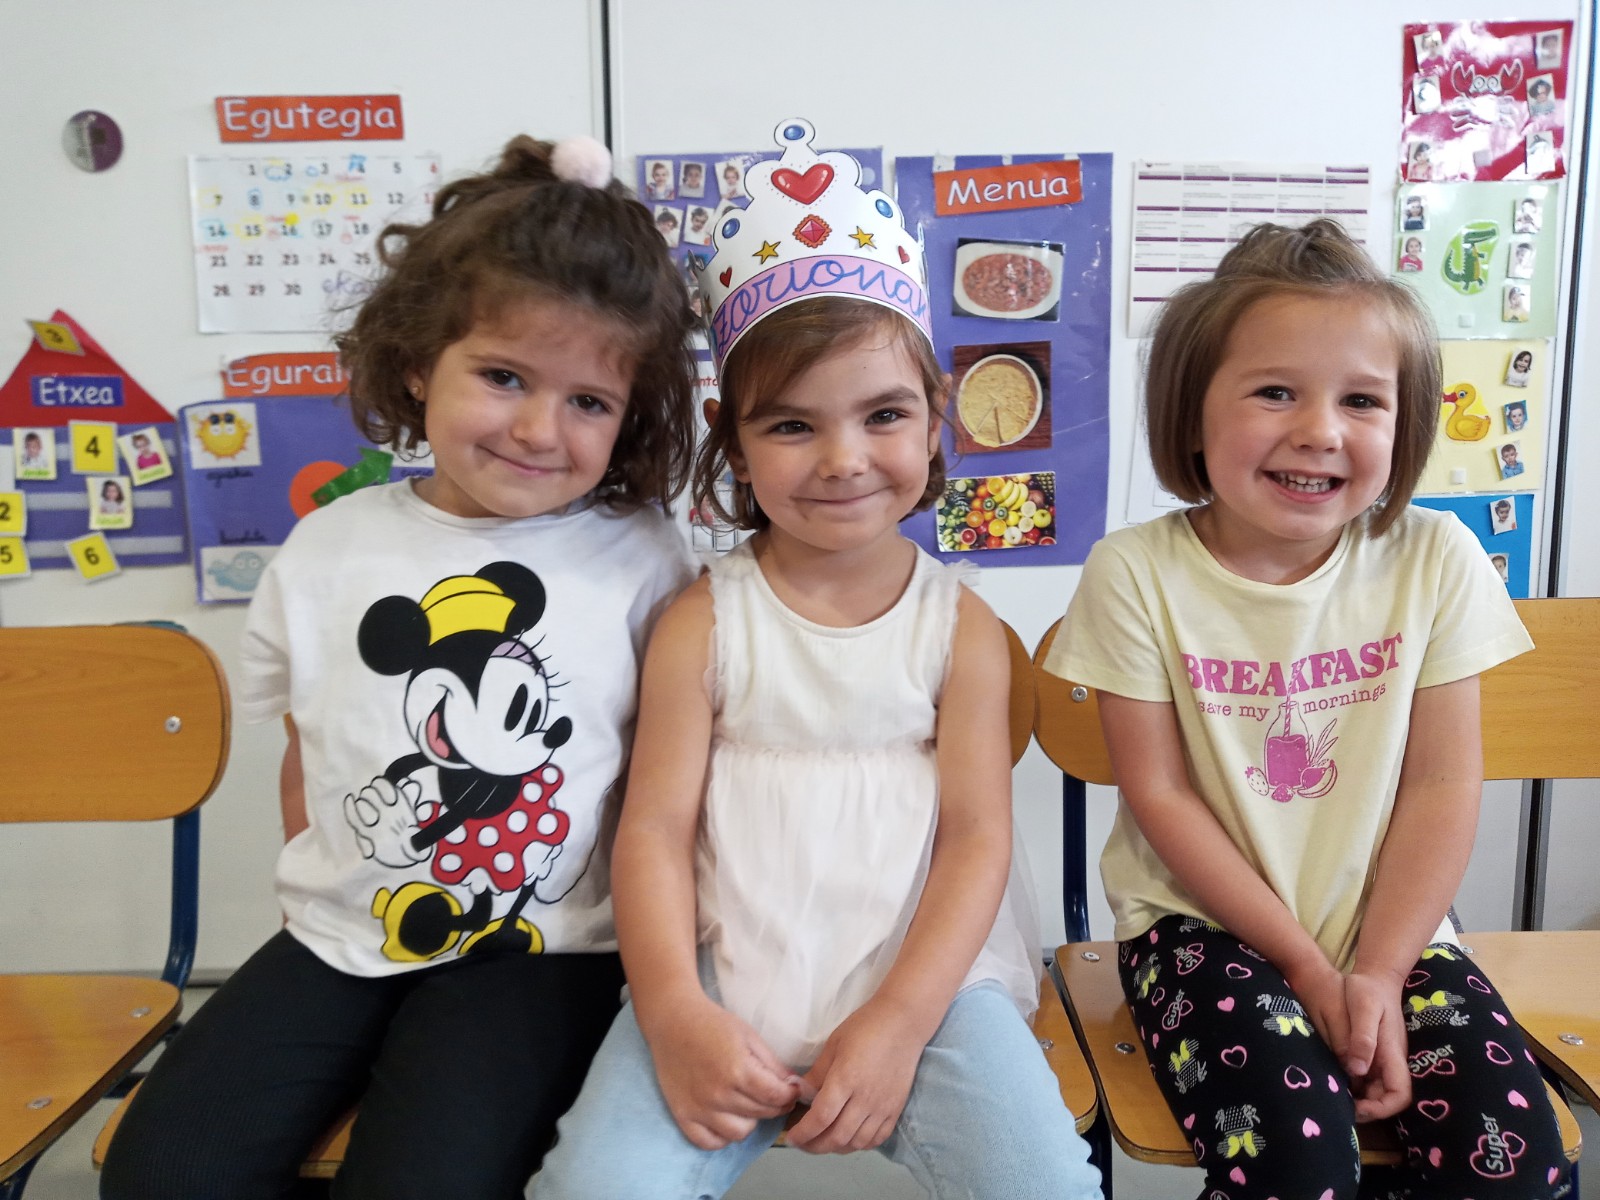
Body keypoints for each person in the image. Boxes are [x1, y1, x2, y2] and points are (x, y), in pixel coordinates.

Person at [101, 132, 701, 1200]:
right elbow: (312, 749)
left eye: (588, 401)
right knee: (163, 1174)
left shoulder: (645, 556)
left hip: (543, 952)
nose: (538, 428)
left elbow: (673, 778)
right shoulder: (328, 547)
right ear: (420, 360)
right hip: (339, 934)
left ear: (630, 414)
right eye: (503, 376)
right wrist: (331, 893)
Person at [533, 120, 1101, 1200]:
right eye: (791, 426)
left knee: (1046, 1186)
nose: (843, 460)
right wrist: (673, 1011)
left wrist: (900, 1021)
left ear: (935, 419)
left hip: (927, 986)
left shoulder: (963, 630)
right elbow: (651, 831)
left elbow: (978, 838)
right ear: (733, 438)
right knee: (592, 1188)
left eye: (882, 414)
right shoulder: (703, 621)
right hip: (720, 979)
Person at [1044, 219, 1567, 1200]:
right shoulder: (1135, 572)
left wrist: (1377, 973)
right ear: (1191, 415)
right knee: (1296, 1160)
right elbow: (1160, 794)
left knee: (1510, 1162)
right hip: (1199, 931)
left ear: (1405, 426)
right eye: (1275, 392)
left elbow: (1442, 784)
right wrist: (1309, 969)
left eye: (1361, 400)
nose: (1321, 430)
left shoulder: (1436, 558)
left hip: (1399, 934)